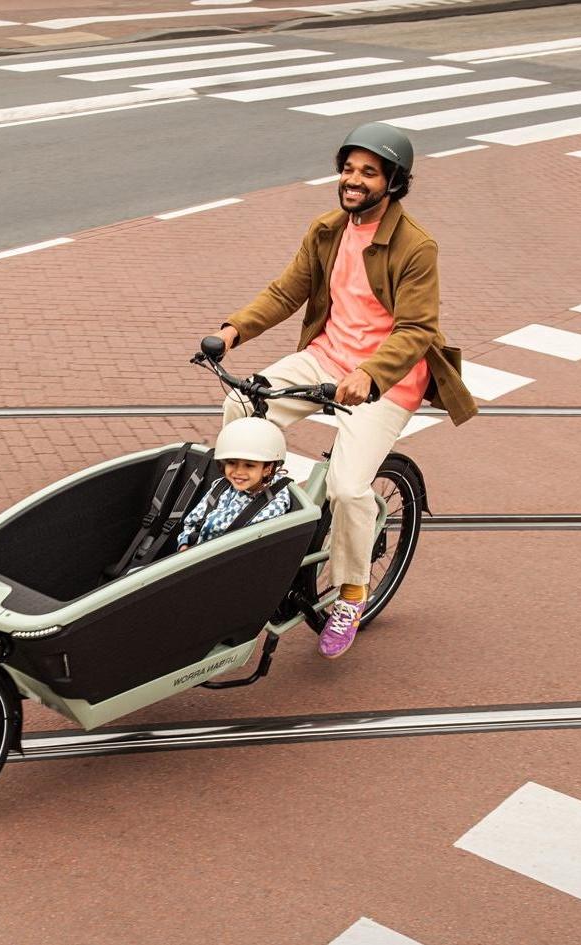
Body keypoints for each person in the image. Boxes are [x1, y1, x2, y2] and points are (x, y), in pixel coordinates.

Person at [213, 122, 477, 660]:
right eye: (349, 169)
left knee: (350, 488)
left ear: (393, 182)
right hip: (325, 358)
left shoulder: (415, 247)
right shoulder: (328, 229)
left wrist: (371, 375)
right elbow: (289, 289)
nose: (353, 180)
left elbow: (417, 329)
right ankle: (264, 507)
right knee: (241, 404)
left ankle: (352, 592)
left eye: (369, 172)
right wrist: (232, 331)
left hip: (386, 381)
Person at [177, 417, 291, 551]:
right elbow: (193, 520)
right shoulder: (221, 486)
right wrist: (185, 542)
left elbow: (245, 549)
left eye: (249, 465)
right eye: (231, 463)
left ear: (268, 469)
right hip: (195, 552)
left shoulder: (272, 506)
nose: (238, 472)